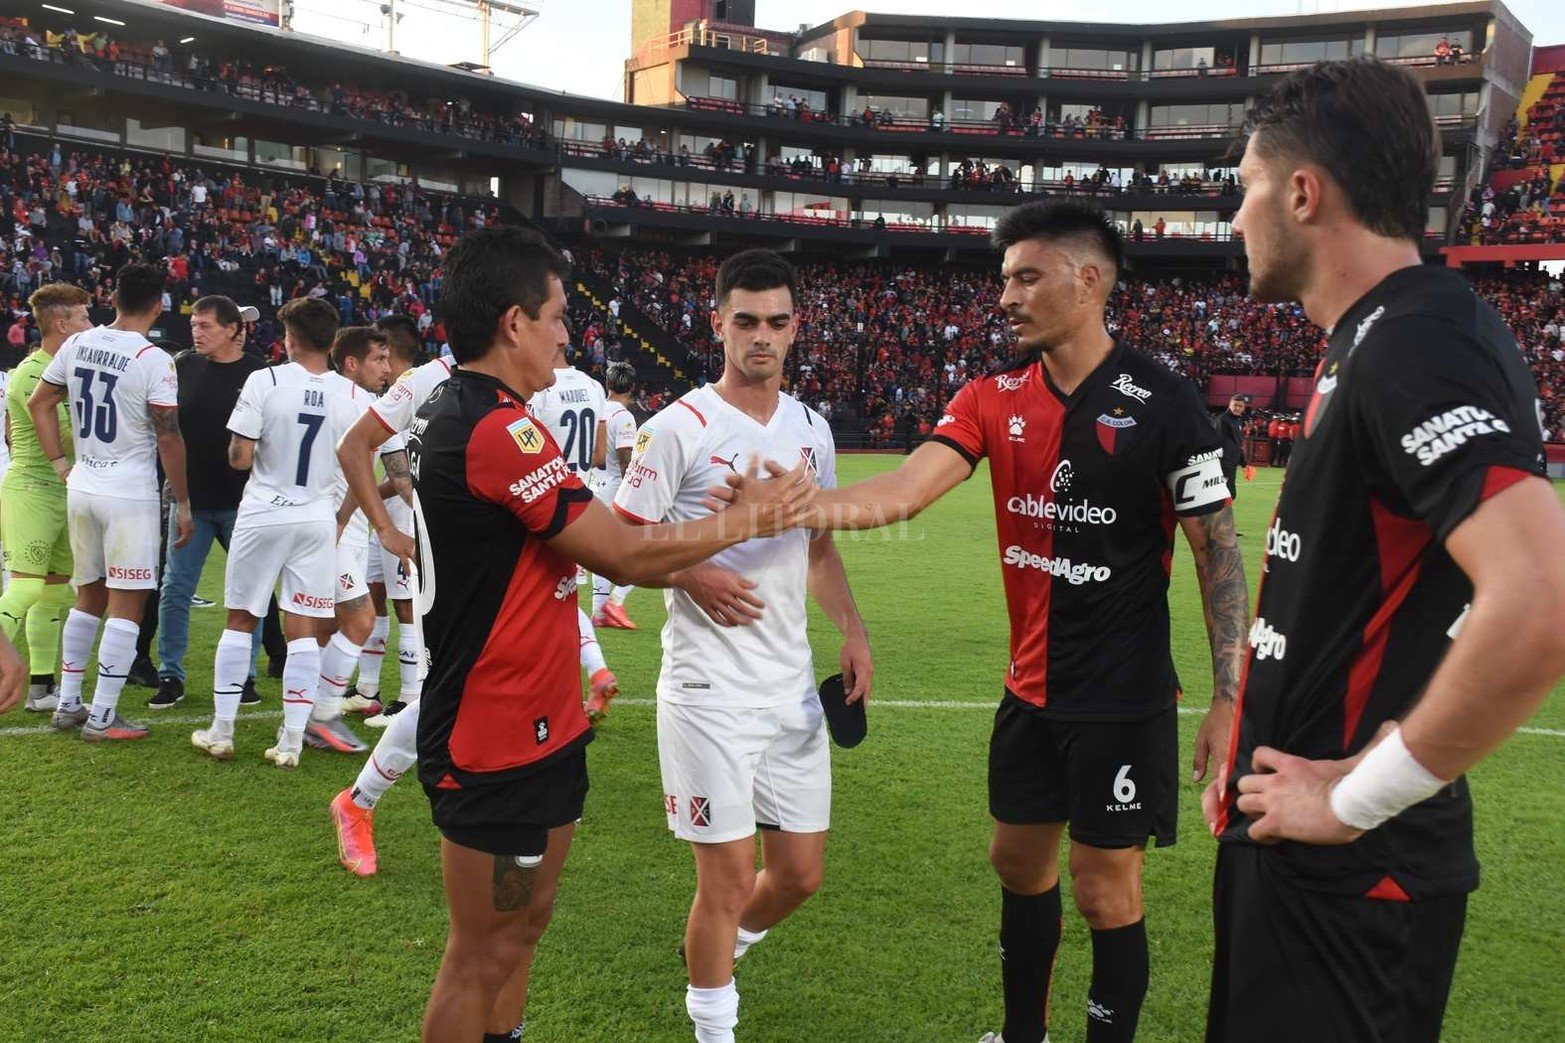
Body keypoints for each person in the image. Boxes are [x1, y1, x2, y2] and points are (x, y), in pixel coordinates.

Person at [769, 200, 1250, 1043]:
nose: (1005, 297)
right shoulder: (991, 397)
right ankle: (1020, 1035)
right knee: (1016, 864)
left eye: (1026, 276)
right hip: (1028, 691)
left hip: (1120, 698)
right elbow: (907, 488)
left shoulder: (1167, 403)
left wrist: (1225, 696)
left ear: (1088, 280)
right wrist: (812, 503)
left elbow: (1218, 554)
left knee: (1105, 889)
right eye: (1003, 279)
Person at [1205, 57, 1565, 1041]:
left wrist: (1356, 796)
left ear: (1302, 192)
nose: (1232, 218)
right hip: (1305, 860)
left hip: (1356, 880)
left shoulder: (1415, 340)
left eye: (1243, 187)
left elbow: (1538, 600)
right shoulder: (1368, 337)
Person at [406, 226, 812, 1043]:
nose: (567, 332)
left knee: (522, 929)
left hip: (540, 723)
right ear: (514, 322)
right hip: (489, 733)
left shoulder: (492, 416)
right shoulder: (489, 427)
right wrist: (751, 516)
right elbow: (622, 550)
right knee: (481, 949)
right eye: (556, 316)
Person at [612, 249, 869, 1043]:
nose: (761, 336)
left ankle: (718, 955)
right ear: (718, 321)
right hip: (706, 691)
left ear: (796, 329)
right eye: (746, 320)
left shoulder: (811, 429)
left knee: (798, 876)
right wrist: (693, 575)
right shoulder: (676, 428)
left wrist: (852, 629)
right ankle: (712, 1023)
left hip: (789, 686)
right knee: (722, 883)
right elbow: (621, 541)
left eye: (777, 322)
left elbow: (818, 547)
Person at [188, 297, 359, 766]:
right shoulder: (352, 395)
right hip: (317, 518)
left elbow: (239, 458)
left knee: (241, 618)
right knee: (303, 628)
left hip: (264, 511)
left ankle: (222, 732)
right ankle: (290, 743)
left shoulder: (265, 379)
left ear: (291, 339)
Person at [27, 263, 194, 741]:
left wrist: (61, 462)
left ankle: (69, 703)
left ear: (113, 299)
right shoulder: (152, 357)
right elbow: (168, 435)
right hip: (128, 493)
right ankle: (102, 717)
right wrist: (182, 502)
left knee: (88, 597)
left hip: (83, 483)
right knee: (127, 603)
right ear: (158, 305)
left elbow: (40, 403)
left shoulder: (79, 342)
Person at [329, 346, 456, 877]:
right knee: (447, 691)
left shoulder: (540, 385)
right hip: (448, 557)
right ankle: (358, 801)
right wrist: (382, 523)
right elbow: (356, 445)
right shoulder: (428, 380)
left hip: (516, 559)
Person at [149, 296, 267, 710]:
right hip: (192, 501)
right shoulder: (182, 366)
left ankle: (246, 676)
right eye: (194, 325)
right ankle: (170, 675)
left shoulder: (260, 373)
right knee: (175, 590)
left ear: (234, 329)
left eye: (206, 326)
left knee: (247, 594)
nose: (196, 332)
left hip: (244, 504)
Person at [0, 284, 92, 714]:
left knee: (55, 595)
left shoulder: (62, 369)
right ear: (62, 324)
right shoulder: (34, 373)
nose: (90, 325)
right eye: (83, 318)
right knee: (26, 587)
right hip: (33, 491)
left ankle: (41, 688)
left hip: (62, 491)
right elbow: (64, 435)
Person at [305, 325, 395, 755]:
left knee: (324, 625)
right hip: (338, 528)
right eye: (379, 359)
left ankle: (306, 711)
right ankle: (320, 716)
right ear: (353, 363)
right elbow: (362, 472)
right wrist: (342, 520)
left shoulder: (319, 393)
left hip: (319, 523)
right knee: (359, 622)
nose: (387, 368)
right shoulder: (362, 405)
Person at [525, 341, 619, 720]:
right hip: (580, 503)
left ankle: (552, 693)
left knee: (532, 606)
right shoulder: (594, 387)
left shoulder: (538, 388)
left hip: (541, 503)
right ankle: (595, 672)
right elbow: (598, 456)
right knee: (561, 601)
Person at [345, 316, 425, 720]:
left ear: (390, 351)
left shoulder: (415, 391)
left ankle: (411, 696)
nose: (375, 358)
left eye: (379, 351)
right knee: (375, 595)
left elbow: (407, 472)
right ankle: (367, 687)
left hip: (405, 515)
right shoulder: (394, 392)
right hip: (384, 514)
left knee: (405, 605)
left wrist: (365, 496)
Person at [590, 359, 640, 629]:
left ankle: (599, 611)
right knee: (645, 546)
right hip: (616, 487)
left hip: (593, 485)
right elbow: (625, 459)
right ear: (631, 386)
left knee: (600, 550)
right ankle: (615, 602)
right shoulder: (624, 417)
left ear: (607, 384)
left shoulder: (597, 410)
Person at [1215, 394, 1248, 500]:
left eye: (1240, 406)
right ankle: (1219, 516)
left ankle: (1220, 515)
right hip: (1224, 462)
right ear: (1230, 405)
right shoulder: (1222, 420)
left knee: (1228, 494)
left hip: (1231, 462)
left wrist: (1244, 464)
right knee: (1228, 493)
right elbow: (1217, 441)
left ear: (1244, 408)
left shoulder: (1238, 421)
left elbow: (1237, 443)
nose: (1237, 408)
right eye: (1235, 405)